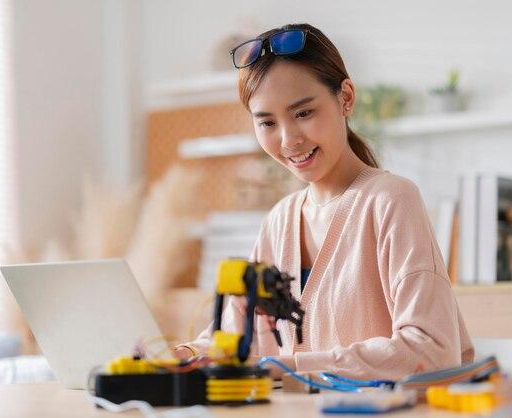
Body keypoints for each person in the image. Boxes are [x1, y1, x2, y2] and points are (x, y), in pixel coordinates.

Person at [173, 23, 474, 380]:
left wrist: (293, 367)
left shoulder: (391, 200)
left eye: (303, 113)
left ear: (345, 97)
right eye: (267, 122)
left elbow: (432, 351)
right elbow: (236, 341)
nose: (289, 140)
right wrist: (182, 356)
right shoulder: (279, 220)